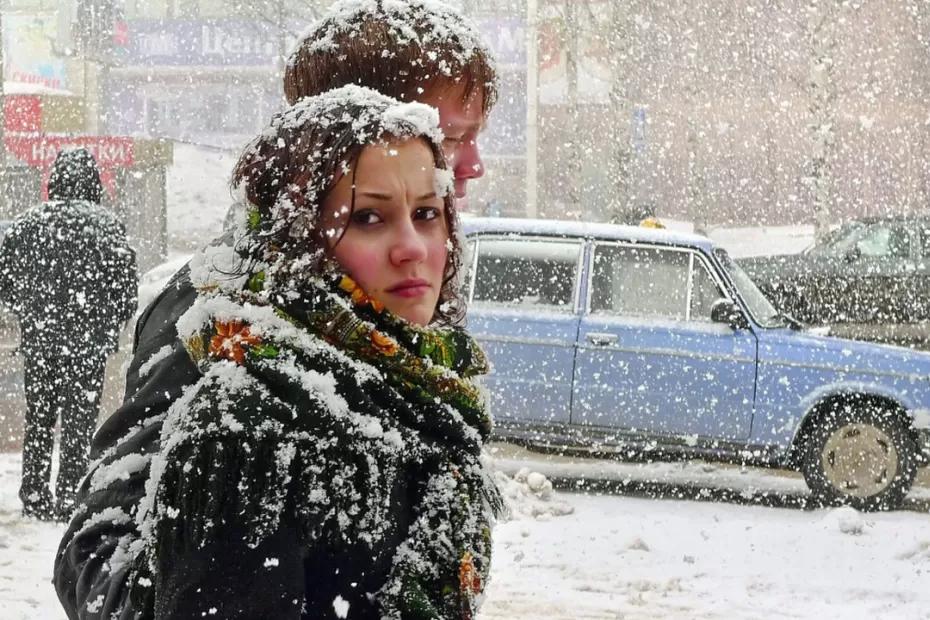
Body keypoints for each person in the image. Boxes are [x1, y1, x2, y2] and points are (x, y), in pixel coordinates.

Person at [54, 1, 499, 617]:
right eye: (452, 136)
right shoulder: (228, 318)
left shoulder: (397, 329)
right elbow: (98, 545)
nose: (473, 164)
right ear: (339, 127)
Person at [0, 147, 137, 521]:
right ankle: (69, 495)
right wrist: (107, 323)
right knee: (79, 422)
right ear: (93, 183)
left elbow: (6, 284)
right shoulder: (107, 226)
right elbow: (125, 290)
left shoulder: (27, 225)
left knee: (39, 418)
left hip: (41, 340)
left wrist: (30, 312)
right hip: (88, 344)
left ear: (54, 181)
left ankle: (34, 493)